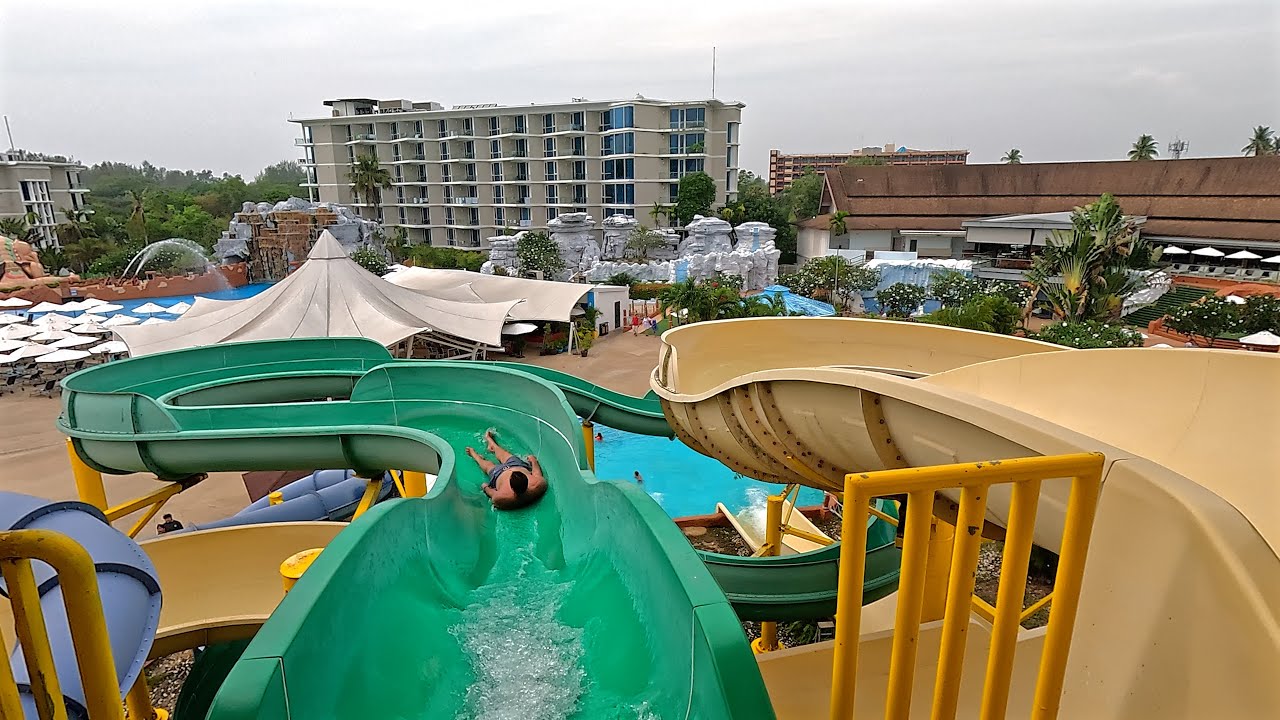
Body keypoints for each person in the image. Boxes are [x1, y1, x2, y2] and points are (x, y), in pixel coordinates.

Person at [466, 429, 548, 510]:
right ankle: (491, 444)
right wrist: (533, 460)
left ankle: (475, 454)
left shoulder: (503, 498)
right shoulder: (537, 484)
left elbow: (490, 492)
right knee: (503, 455)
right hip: (516, 465)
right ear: (526, 480)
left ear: (512, 488)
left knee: (488, 466)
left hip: (498, 473)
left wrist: (484, 487)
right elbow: (536, 472)